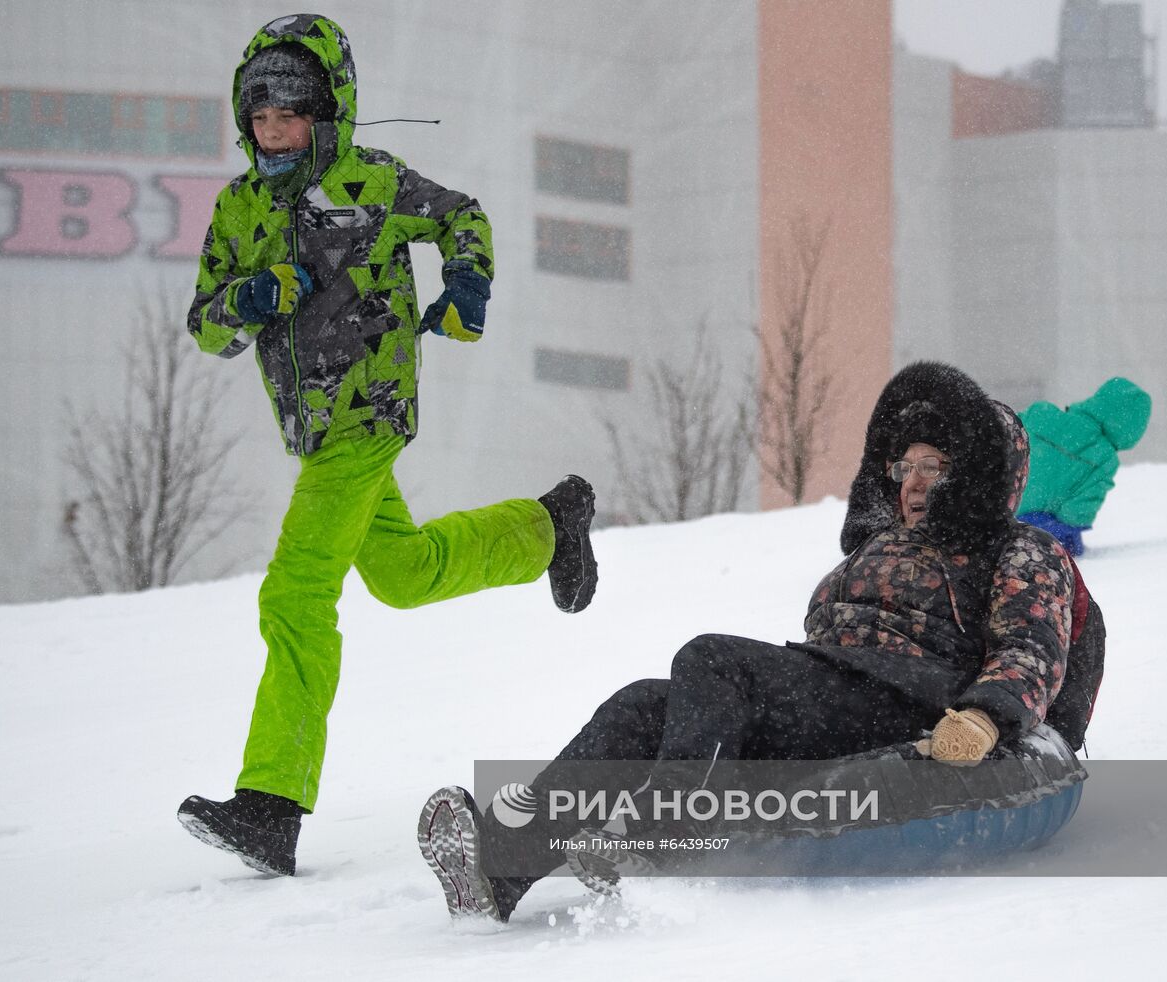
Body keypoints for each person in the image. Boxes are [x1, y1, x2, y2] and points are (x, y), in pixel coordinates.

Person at [417, 361, 1076, 923]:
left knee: (714, 660)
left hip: (912, 704)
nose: (913, 480)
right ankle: (499, 871)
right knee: (645, 704)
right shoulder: (876, 550)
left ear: (984, 476)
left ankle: (663, 835)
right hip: (836, 694)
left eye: (936, 465)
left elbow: (1031, 644)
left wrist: (988, 718)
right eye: (906, 464)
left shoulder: (1016, 549)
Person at [178, 13, 598, 877]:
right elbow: (205, 327)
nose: (275, 134)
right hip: (312, 428)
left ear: (328, 113)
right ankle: (549, 527)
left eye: (291, 117)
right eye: (260, 120)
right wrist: (250, 299)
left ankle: (272, 803)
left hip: (367, 413)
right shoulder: (239, 207)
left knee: (295, 595)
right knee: (401, 575)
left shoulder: (372, 182)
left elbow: (461, 218)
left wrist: (467, 283)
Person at [1017, 376, 1152, 556]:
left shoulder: (1043, 413)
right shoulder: (1104, 459)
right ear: (1131, 430)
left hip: (996, 501)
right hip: (1035, 525)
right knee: (1071, 546)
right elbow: (1076, 511)